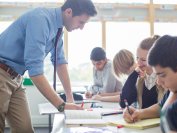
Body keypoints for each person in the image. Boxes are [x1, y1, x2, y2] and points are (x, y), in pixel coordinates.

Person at [0, 0, 97, 132]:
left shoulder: (58, 29)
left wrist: (70, 99)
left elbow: (60, 62)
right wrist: (61, 106)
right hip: (2, 73)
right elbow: (35, 72)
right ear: (69, 12)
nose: (81, 27)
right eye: (81, 22)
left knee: (25, 130)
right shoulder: (40, 20)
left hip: (16, 78)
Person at [119, 35, 165, 109]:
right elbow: (124, 103)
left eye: (143, 60)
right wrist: (133, 75)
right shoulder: (140, 78)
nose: (139, 63)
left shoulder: (164, 79)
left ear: (155, 58)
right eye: (137, 58)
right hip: (143, 120)